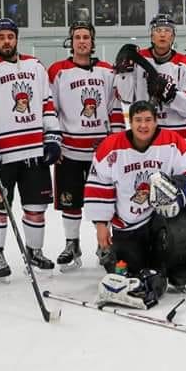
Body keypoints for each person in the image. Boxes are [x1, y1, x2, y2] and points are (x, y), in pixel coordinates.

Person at [0, 18, 62, 279]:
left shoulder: (35, 65)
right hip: (2, 154)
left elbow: (47, 103)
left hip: (33, 152)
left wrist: (52, 135)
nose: (6, 41)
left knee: (36, 206)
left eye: (10, 36)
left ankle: (34, 250)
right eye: (1, 36)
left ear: (16, 38)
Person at [83, 100, 186, 306]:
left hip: (162, 219)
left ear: (156, 121)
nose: (143, 125)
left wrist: (179, 190)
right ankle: (120, 260)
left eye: (148, 120)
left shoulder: (172, 141)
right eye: (138, 120)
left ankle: (178, 266)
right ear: (129, 122)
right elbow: (98, 185)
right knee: (133, 269)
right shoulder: (110, 147)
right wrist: (101, 225)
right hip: (129, 223)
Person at [47, 21, 126, 271]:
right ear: (71, 41)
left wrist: (118, 143)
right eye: (77, 37)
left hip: (100, 153)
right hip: (69, 150)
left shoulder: (106, 71)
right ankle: (72, 244)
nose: (82, 41)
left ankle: (104, 245)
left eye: (86, 37)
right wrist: (53, 140)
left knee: (104, 199)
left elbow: (114, 108)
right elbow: (50, 109)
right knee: (70, 201)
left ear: (93, 42)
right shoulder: (58, 71)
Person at [114, 13, 186, 139]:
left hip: (176, 137)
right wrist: (124, 72)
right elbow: (125, 97)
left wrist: (171, 95)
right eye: (158, 30)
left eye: (167, 30)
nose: (162, 34)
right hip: (143, 135)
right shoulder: (138, 59)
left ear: (173, 37)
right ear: (151, 36)